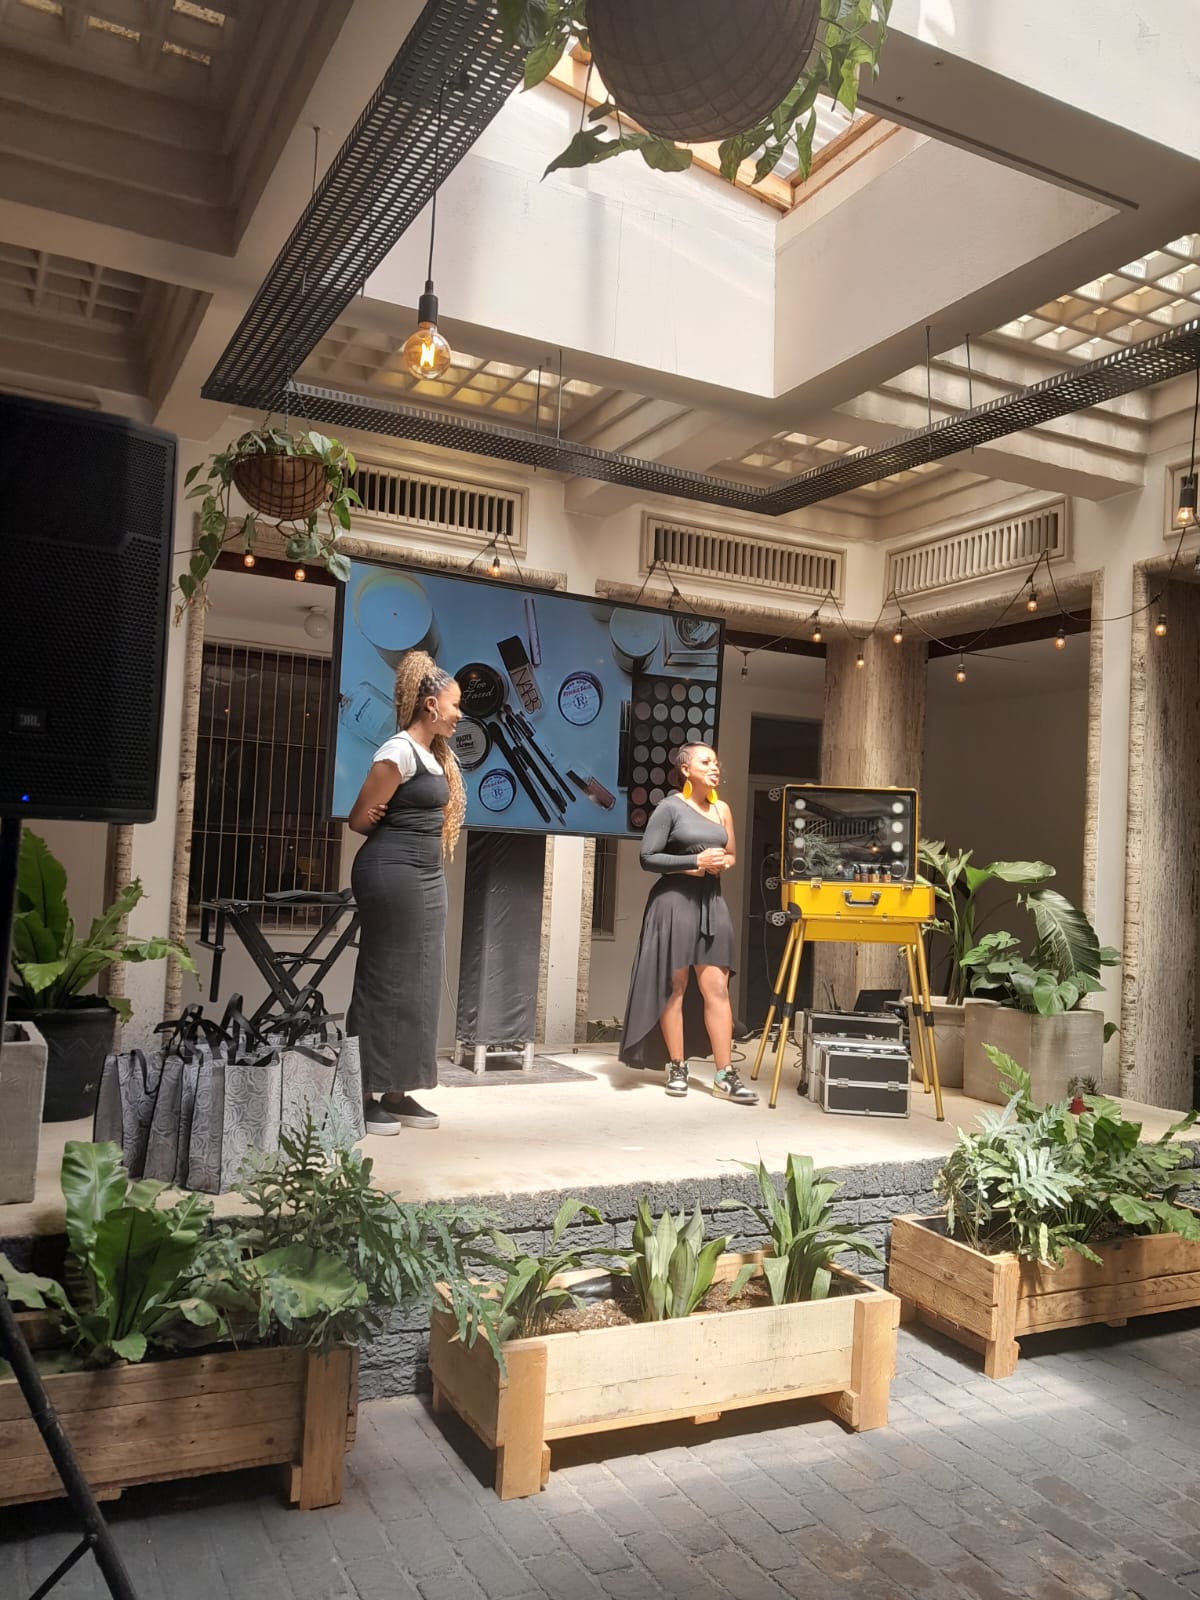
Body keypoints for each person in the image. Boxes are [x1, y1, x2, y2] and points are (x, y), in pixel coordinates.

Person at [347, 650, 464, 1135]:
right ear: (431, 705)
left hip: (425, 876)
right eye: (455, 705)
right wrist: (377, 813)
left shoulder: (433, 756)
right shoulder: (396, 751)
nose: (460, 714)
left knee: (419, 982)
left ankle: (398, 1090)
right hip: (391, 873)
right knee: (385, 980)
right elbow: (358, 819)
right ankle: (363, 1092)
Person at [619, 742, 758, 1103]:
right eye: (706, 761)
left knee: (717, 988)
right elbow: (648, 857)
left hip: (711, 902)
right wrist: (694, 863)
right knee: (675, 987)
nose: (715, 767)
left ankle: (725, 1075)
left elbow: (731, 855)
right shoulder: (670, 808)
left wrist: (720, 863)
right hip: (674, 903)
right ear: (685, 769)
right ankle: (677, 1066)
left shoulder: (722, 809)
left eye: (717, 762)